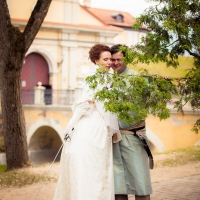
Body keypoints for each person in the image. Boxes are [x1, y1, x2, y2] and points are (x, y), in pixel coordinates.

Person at [53, 44, 119, 200]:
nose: (109, 62)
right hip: (91, 126)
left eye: (110, 58)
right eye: (105, 59)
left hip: (100, 127)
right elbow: (86, 104)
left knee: (96, 168)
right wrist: (71, 125)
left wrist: (71, 125)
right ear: (96, 60)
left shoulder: (110, 78)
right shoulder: (93, 77)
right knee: (87, 166)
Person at [111, 44, 152, 200]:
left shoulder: (136, 78)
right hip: (114, 140)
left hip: (133, 138)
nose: (115, 63)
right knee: (118, 185)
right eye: (112, 60)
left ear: (125, 59)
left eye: (118, 59)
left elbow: (152, 95)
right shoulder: (107, 80)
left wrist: (164, 85)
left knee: (139, 184)